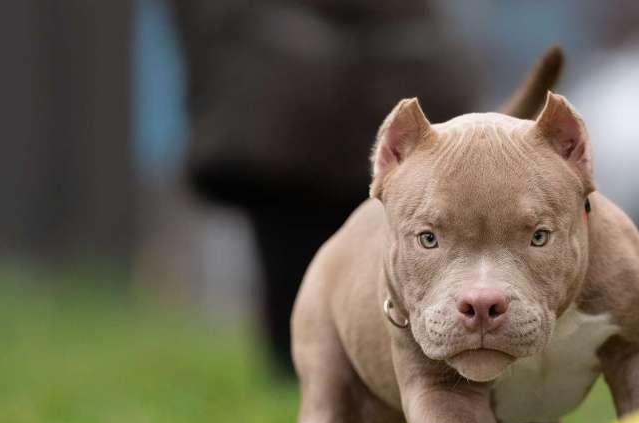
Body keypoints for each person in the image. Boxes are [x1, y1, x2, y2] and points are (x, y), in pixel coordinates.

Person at [168, 0, 476, 374]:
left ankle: (318, 373)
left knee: (332, 254)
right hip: (304, 93)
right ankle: (315, 376)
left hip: (302, 91)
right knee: (313, 251)